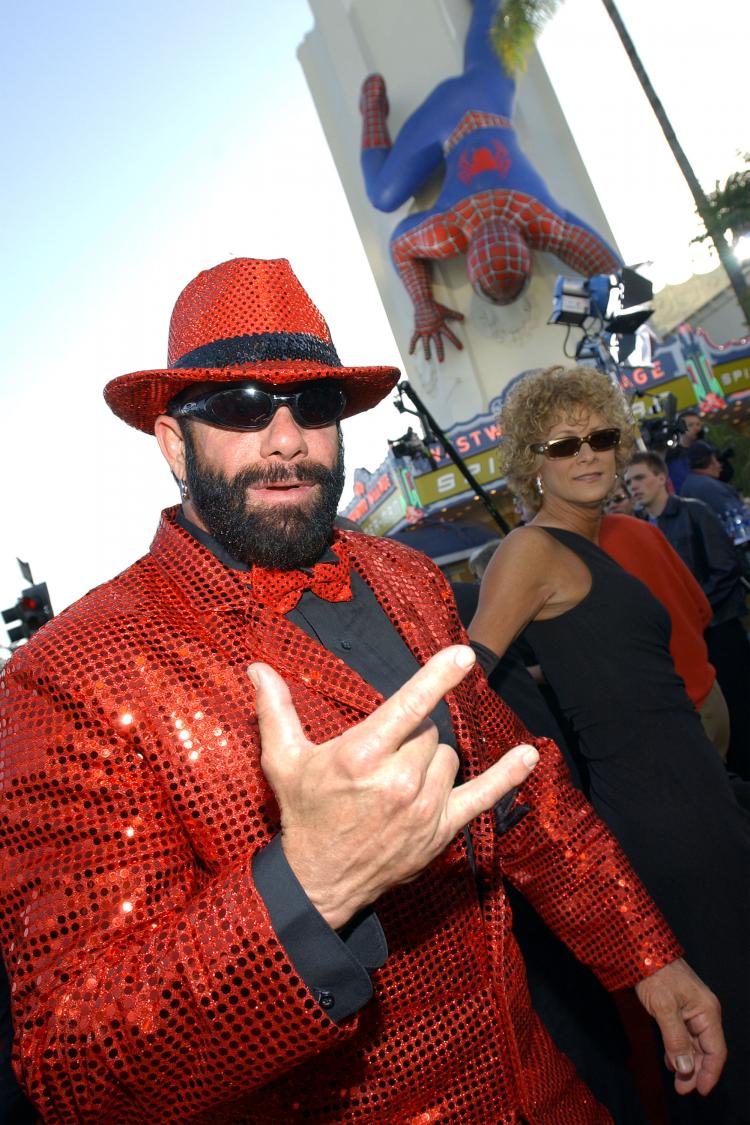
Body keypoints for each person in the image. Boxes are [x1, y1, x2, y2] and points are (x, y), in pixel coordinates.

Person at [0, 260, 725, 1125]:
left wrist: (646, 954)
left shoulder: (411, 579)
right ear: (170, 441)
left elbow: (527, 800)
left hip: (549, 1088)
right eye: (237, 405)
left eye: (313, 404)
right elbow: (77, 1068)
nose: (285, 438)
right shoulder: (69, 675)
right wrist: (307, 888)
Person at [469, 365, 750, 1124]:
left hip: (699, 795)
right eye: (565, 444)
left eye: (600, 436)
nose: (588, 454)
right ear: (533, 459)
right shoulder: (530, 550)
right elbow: (465, 676)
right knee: (725, 1027)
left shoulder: (603, 542)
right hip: (660, 824)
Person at [359, 0, 620, 360]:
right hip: (462, 111)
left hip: (487, 98)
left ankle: (372, 113)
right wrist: (423, 305)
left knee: (490, 15)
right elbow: (400, 247)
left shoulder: (539, 221)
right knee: (381, 195)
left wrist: (604, 316)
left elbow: (612, 272)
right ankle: (371, 111)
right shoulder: (467, 228)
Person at [625, 450, 750, 779]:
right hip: (686, 639)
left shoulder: (694, 512)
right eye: (628, 481)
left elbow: (726, 569)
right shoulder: (640, 527)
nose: (633, 486)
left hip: (720, 628)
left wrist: (688, 610)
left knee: (739, 709)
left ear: (661, 478)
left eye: (639, 477)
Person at [598, 513, 729, 759]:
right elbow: (702, 608)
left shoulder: (576, 556)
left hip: (670, 722)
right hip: (709, 695)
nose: (520, 511)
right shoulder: (640, 528)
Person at [680, 440, 750, 538]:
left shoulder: (687, 485)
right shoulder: (710, 487)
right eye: (716, 460)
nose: (719, 466)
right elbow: (739, 520)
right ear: (711, 462)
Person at [665, 408, 704, 493]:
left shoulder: (706, 449)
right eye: (691, 425)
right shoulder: (675, 456)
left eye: (698, 424)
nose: (696, 428)